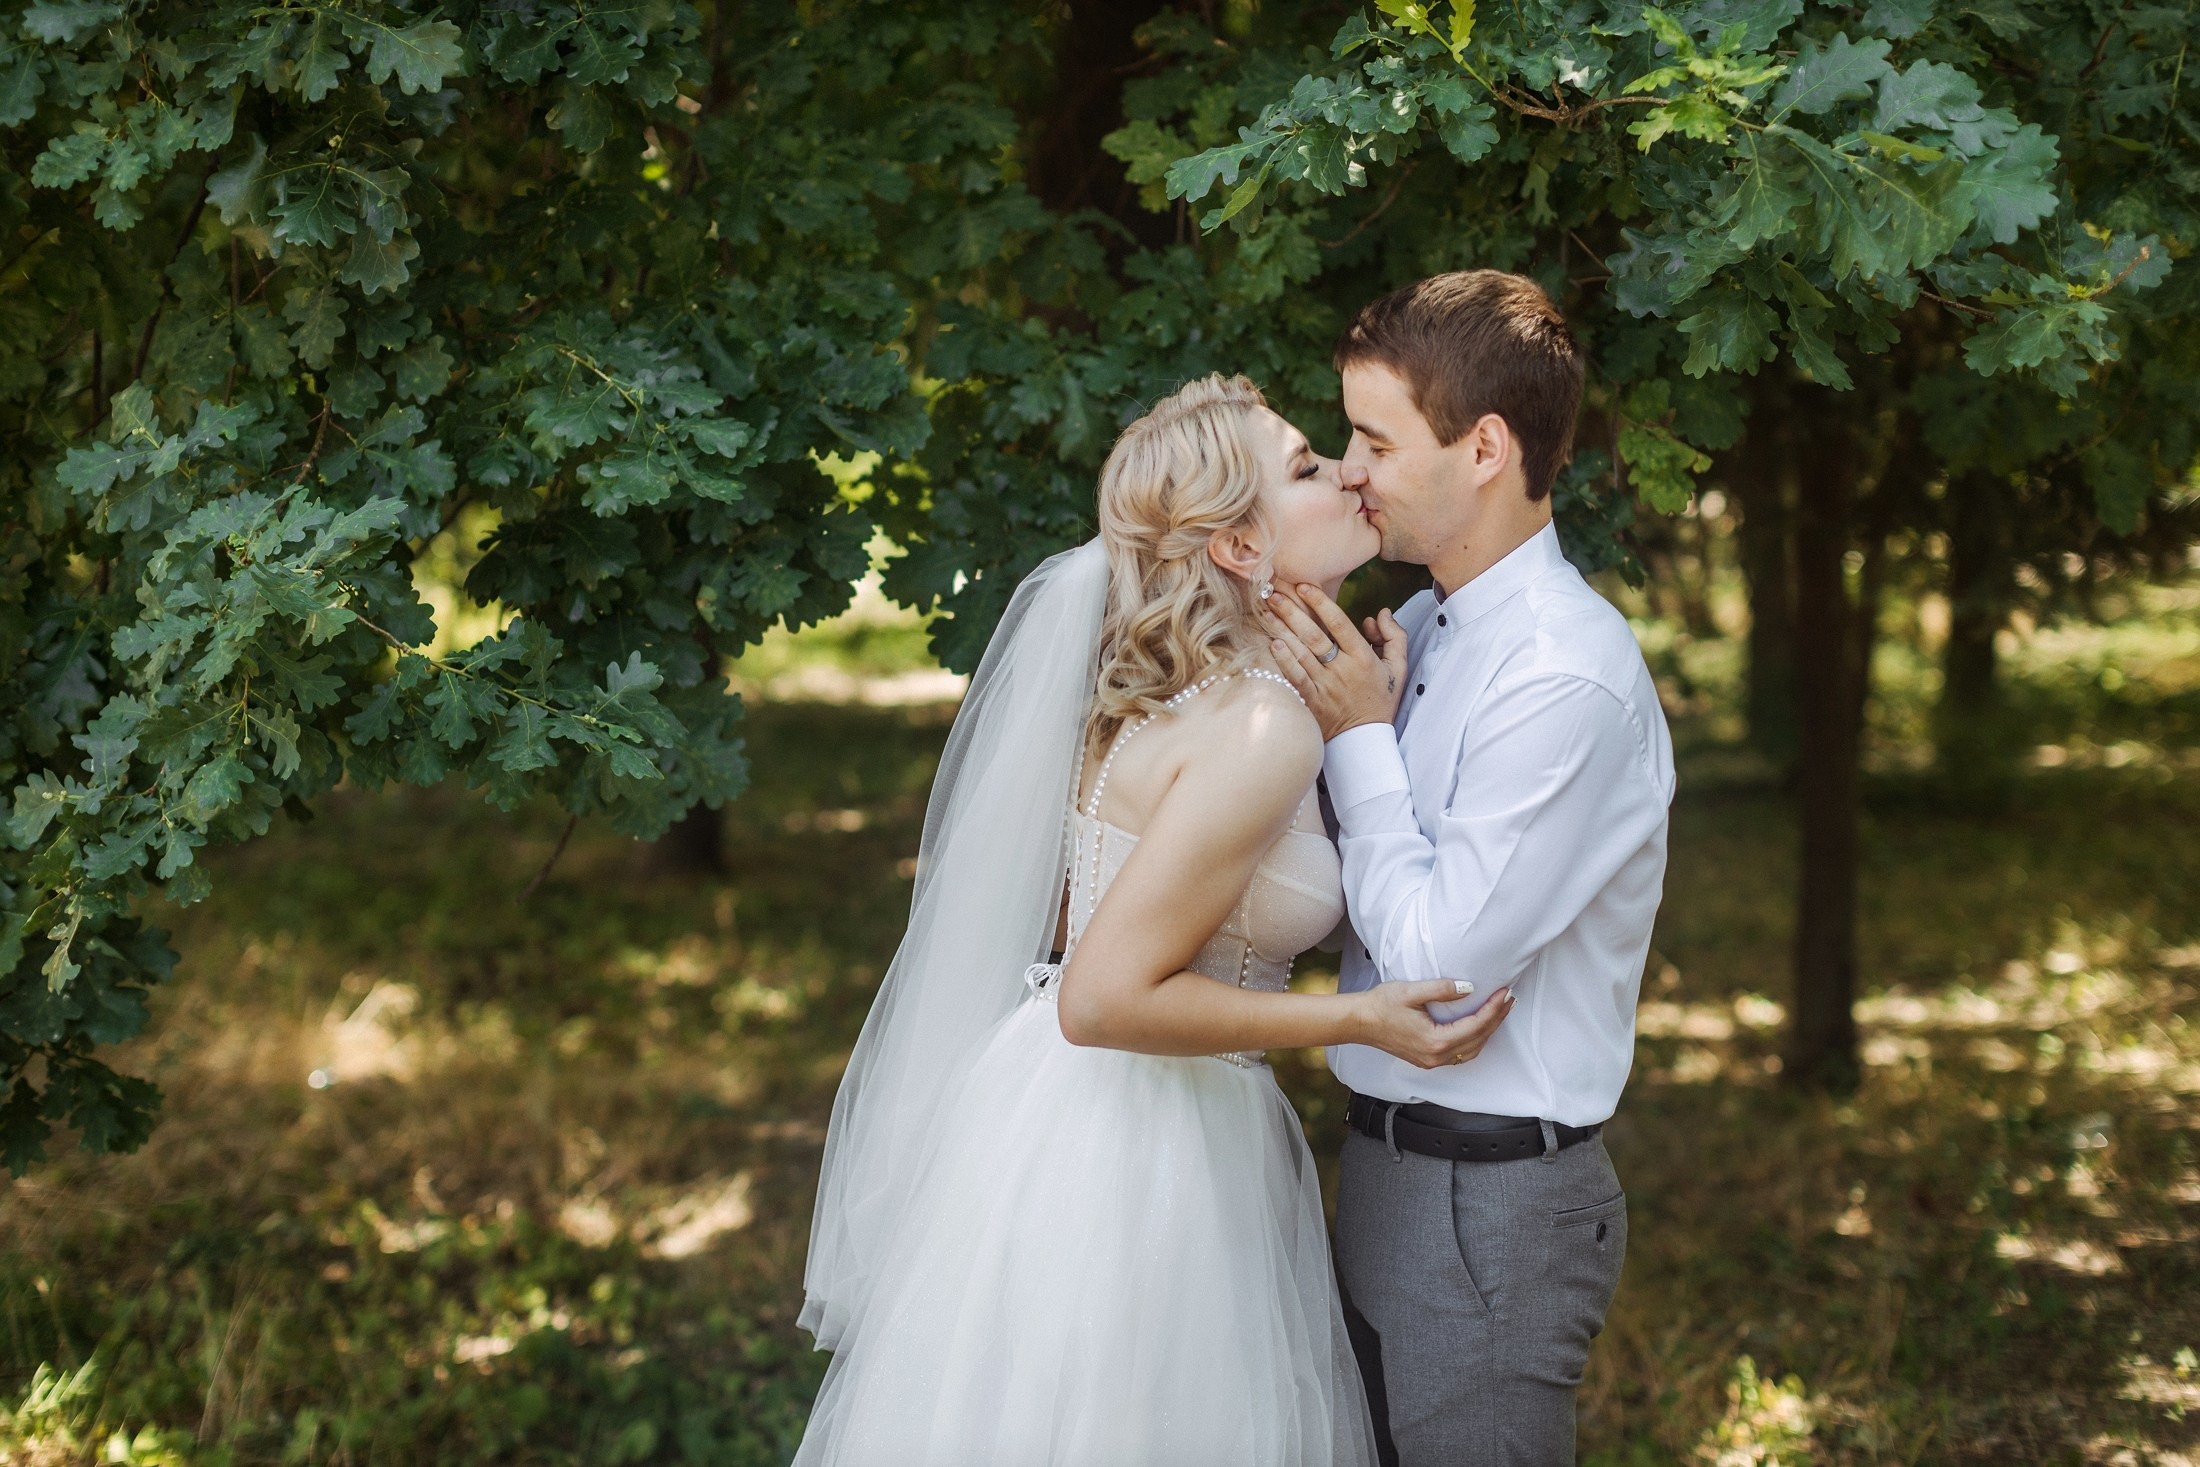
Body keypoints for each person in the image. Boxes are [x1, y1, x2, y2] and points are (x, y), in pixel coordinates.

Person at [793, 374, 1512, 1467]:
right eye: (1310, 469)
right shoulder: (1259, 724)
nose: (1348, 474)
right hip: (1143, 1146)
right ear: (1237, 547)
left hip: (1062, 1113)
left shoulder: (1200, 694)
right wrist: (1359, 1020)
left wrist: (1366, 717)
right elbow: (1103, 995)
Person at [1264, 270, 1677, 1467]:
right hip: (1391, 1166)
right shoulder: (1431, 627)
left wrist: (1354, 737)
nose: (1350, 469)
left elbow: (1439, 961)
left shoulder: (1563, 677)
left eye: (1374, 440)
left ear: (1485, 447)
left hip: (1488, 1204)